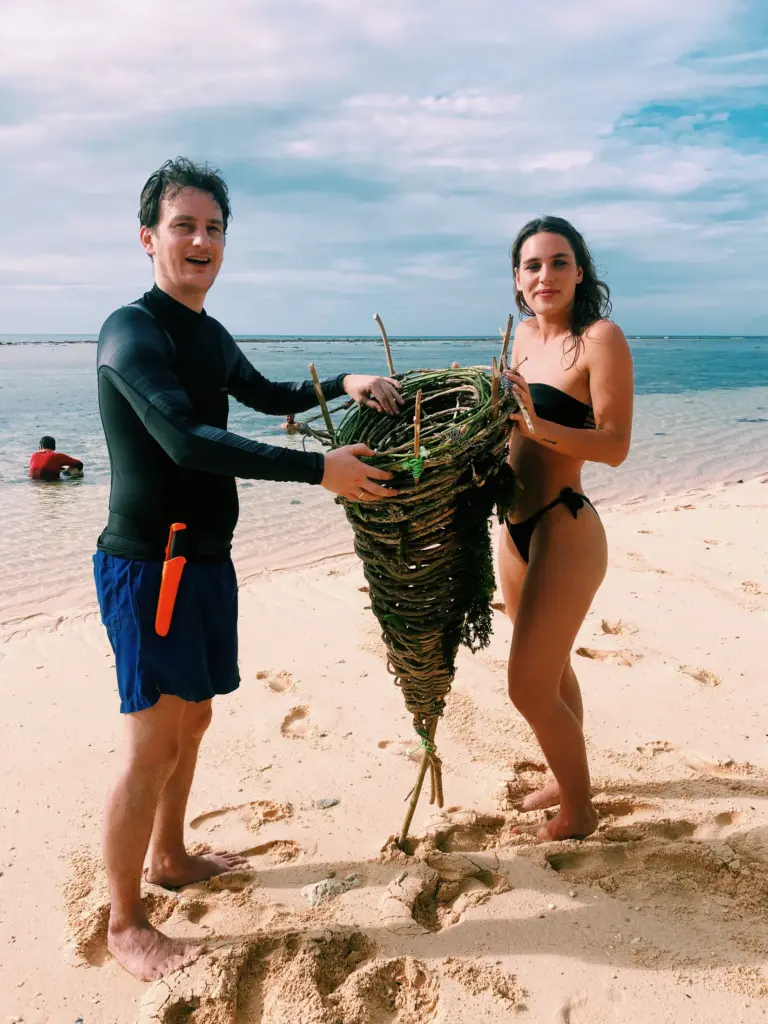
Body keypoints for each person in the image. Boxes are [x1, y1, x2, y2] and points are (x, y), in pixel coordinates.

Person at [94, 157, 403, 982]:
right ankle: (125, 921)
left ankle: (170, 855)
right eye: (184, 226)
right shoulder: (132, 332)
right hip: (151, 566)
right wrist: (319, 470)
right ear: (148, 237)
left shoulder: (209, 332)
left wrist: (344, 381)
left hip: (206, 561)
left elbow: (264, 394)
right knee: (150, 744)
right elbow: (185, 439)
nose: (201, 241)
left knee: (193, 721)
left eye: (214, 228)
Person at [498, 215, 633, 842]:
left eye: (559, 262)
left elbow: (615, 445)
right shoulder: (522, 337)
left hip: (564, 525)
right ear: (517, 278)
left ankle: (579, 813)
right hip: (512, 528)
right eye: (533, 265)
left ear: (580, 272)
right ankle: (565, 776)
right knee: (551, 673)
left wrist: (536, 425)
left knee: (527, 687)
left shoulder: (600, 339)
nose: (545, 275)